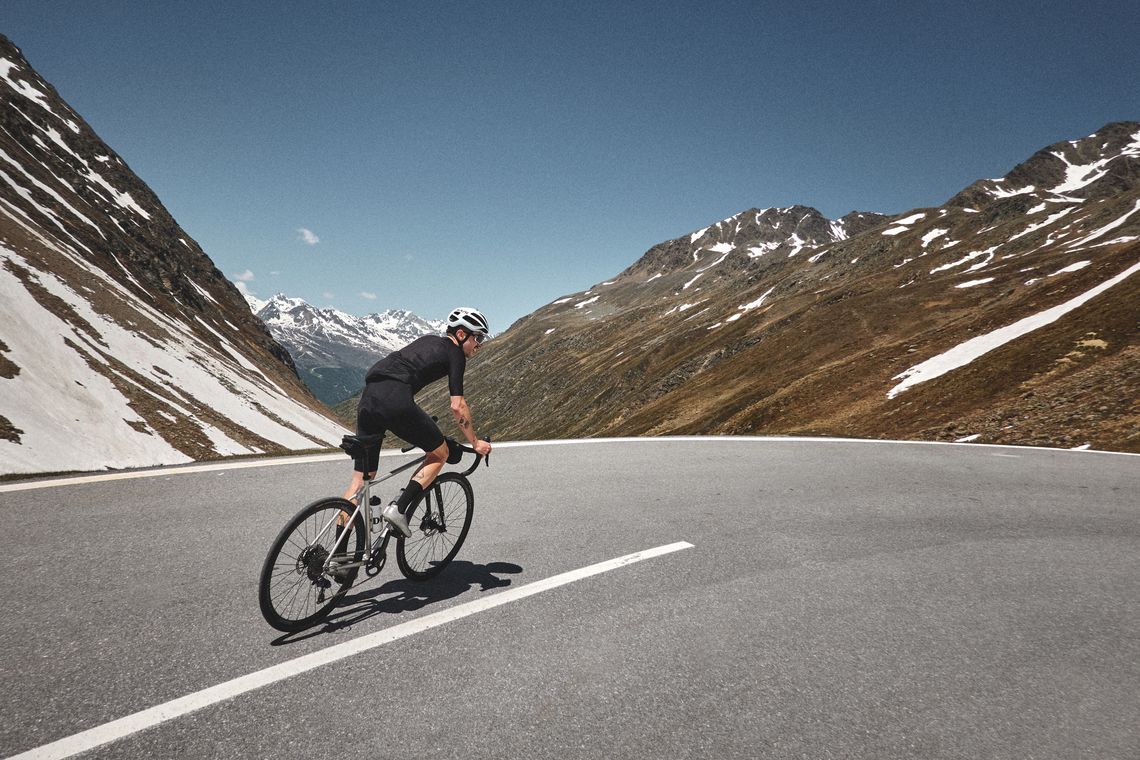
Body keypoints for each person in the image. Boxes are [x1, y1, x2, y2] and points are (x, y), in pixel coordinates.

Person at [341, 307, 493, 537]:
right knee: (439, 454)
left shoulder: (428, 340)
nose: (479, 344)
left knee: (362, 480)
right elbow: (458, 405)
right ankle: (399, 509)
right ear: (461, 335)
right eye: (477, 337)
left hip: (368, 399)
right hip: (395, 400)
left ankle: (336, 558)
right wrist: (475, 442)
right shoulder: (455, 354)